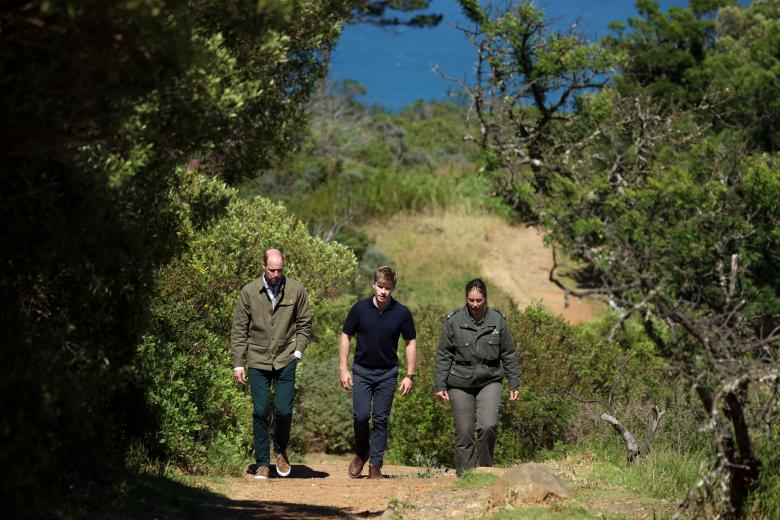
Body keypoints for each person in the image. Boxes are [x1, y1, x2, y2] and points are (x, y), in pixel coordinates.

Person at [231, 248, 312, 480]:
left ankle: (280, 450)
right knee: (260, 410)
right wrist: (238, 363)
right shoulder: (248, 292)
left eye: (280, 270)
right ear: (263, 267)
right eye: (272, 269)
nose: (276, 274)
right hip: (258, 358)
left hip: (287, 357)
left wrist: (298, 352)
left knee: (284, 410)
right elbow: (239, 330)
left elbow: (305, 323)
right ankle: (262, 463)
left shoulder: (297, 290)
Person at [434, 278, 520, 476]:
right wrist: (440, 385)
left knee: (488, 426)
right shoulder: (454, 321)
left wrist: (514, 382)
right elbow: (444, 355)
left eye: (478, 300)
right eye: (470, 300)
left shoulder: (498, 321)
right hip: (459, 382)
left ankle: (484, 472)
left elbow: (508, 354)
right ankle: (465, 476)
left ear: (486, 299)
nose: (474, 304)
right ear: (466, 299)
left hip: (489, 380)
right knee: (464, 432)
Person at [339, 266, 417, 479]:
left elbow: (410, 341)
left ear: (393, 289)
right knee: (361, 416)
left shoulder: (401, 313)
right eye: (380, 286)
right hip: (362, 371)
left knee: (381, 419)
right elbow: (346, 335)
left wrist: (410, 375)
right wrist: (343, 368)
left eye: (388, 288)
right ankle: (361, 454)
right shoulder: (359, 309)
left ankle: (375, 466)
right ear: (374, 285)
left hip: (387, 373)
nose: (383, 291)